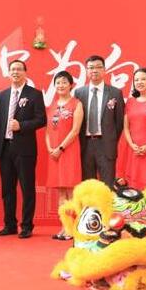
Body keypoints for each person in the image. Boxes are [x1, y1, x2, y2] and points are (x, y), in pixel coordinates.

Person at [0, 60, 47, 239]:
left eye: (19, 69)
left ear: (25, 72)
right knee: (7, 189)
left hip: (25, 150)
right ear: (8, 73)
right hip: (5, 149)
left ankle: (26, 226)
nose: (15, 72)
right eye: (12, 69)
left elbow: (41, 120)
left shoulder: (34, 94)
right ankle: (9, 224)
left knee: (27, 189)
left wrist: (21, 126)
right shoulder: (1, 96)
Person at [74, 55, 125, 187]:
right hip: (85, 144)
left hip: (106, 144)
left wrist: (110, 138)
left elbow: (119, 122)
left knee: (107, 186)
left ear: (104, 70)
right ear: (86, 70)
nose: (94, 70)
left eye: (98, 67)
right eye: (91, 68)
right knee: (88, 186)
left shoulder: (115, 93)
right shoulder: (79, 93)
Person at [44, 71, 83, 240]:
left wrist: (60, 147)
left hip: (69, 152)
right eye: (58, 82)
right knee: (61, 193)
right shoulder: (52, 105)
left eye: (64, 82)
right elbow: (47, 131)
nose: (61, 85)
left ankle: (73, 228)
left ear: (71, 85)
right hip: (54, 154)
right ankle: (64, 227)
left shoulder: (76, 104)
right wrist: (50, 148)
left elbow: (75, 130)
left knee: (71, 191)